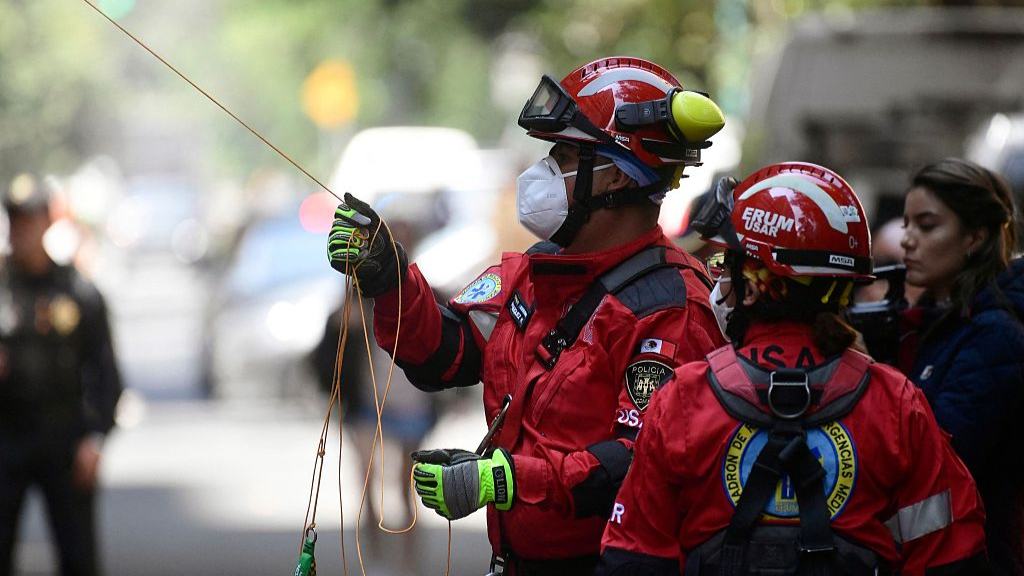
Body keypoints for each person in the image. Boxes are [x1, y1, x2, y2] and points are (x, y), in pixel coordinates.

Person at [327, 56, 727, 574]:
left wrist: (508, 479)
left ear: (612, 178)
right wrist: (391, 279)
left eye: (563, 154)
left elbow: (642, 462)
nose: (541, 173)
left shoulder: (670, 308)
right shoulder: (533, 274)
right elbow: (445, 355)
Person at [597, 163, 989, 575]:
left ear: (753, 286)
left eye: (726, 264)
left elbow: (634, 558)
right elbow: (951, 555)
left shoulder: (684, 399)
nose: (718, 280)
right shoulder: (896, 403)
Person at [898, 158, 1024, 575]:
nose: (908, 241)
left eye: (927, 225)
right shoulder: (942, 322)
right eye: (906, 224)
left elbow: (938, 457)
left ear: (975, 236)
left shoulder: (995, 336)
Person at [0, 174, 123, 576]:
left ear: (48, 223)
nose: (23, 232)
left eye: (31, 221)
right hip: (7, 434)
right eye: (16, 222)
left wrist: (96, 436)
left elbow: (104, 371)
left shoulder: (76, 290)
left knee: (78, 557)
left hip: (65, 436)